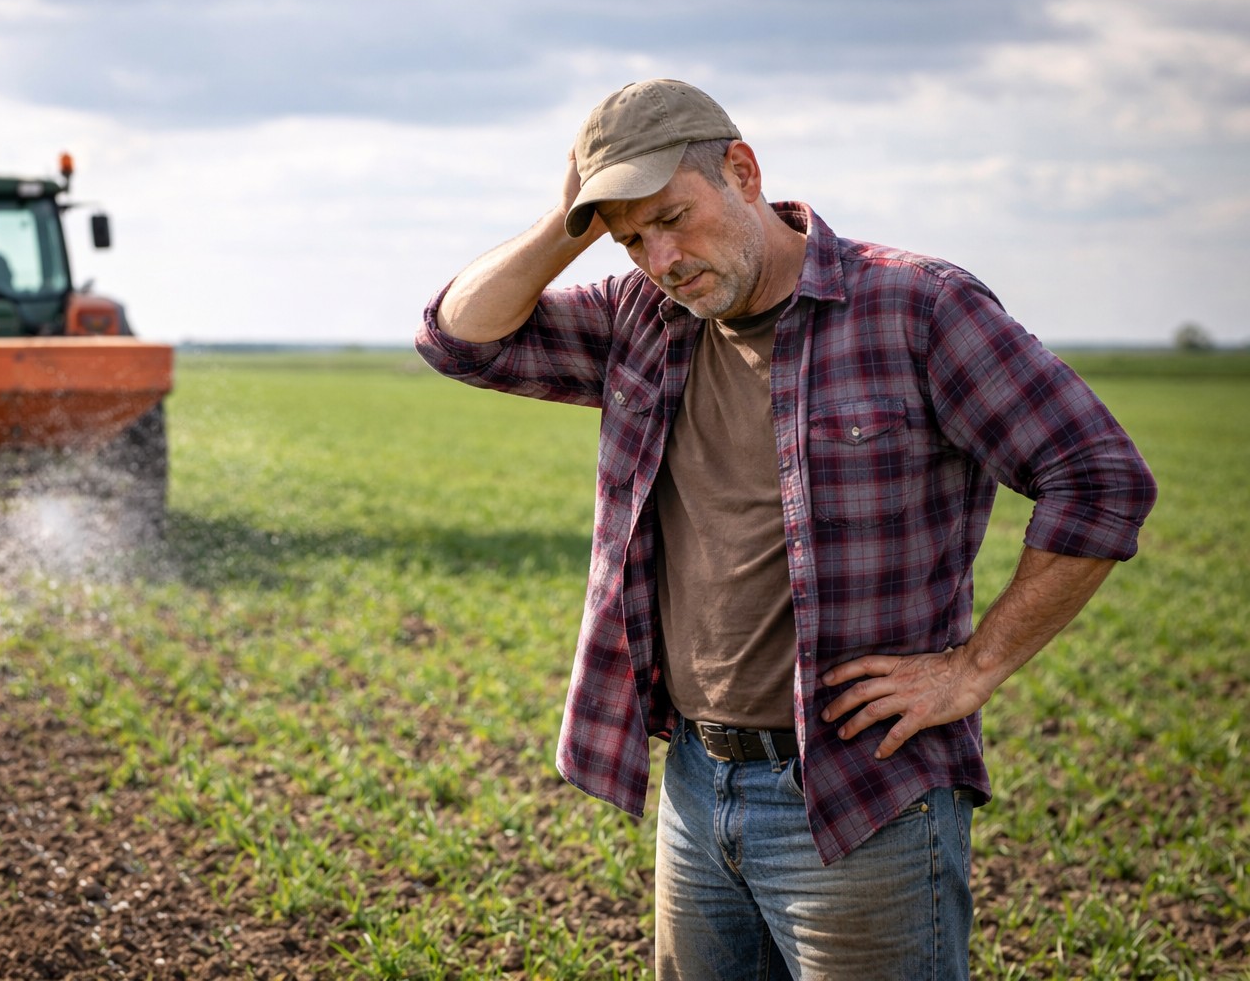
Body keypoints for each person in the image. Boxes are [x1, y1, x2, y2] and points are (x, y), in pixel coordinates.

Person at [413, 79, 1157, 980]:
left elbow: (1099, 478)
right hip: (695, 783)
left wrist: (974, 668)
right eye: (631, 237)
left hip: (859, 792)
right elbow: (462, 338)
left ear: (743, 170)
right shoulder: (644, 320)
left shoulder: (916, 309)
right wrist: (566, 219)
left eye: (674, 217)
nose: (662, 258)